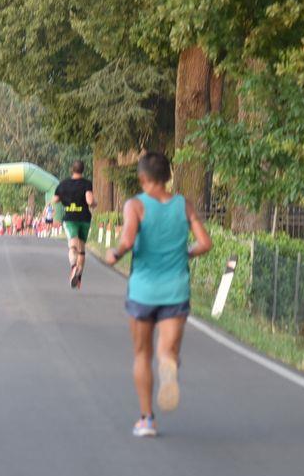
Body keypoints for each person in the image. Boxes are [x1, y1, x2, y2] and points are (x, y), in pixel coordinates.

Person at [105, 151, 212, 439]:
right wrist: (186, 252)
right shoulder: (183, 205)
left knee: (142, 353)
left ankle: (147, 419)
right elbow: (205, 243)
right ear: (167, 176)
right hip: (175, 289)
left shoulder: (135, 205)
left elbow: (128, 240)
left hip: (143, 290)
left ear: (142, 178)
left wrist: (115, 253)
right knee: (167, 352)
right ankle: (169, 366)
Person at [53, 160, 96, 289]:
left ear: (72, 169)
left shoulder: (63, 184)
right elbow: (90, 201)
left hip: (70, 218)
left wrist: (64, 197)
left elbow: (55, 199)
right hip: (84, 218)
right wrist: (95, 203)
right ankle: (79, 276)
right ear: (83, 170)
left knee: (73, 246)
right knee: (81, 250)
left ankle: (73, 267)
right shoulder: (87, 183)